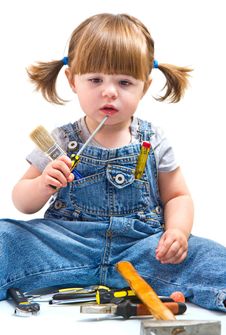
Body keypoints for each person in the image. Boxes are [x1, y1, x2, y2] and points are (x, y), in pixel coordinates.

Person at [0, 13, 226, 311]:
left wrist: (177, 233)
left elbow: (178, 196)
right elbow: (22, 201)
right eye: (95, 79)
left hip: (141, 248)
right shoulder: (58, 141)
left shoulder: (153, 140)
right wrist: (43, 184)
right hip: (67, 245)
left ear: (144, 87)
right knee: (6, 237)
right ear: (72, 80)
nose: (109, 91)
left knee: (210, 257)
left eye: (124, 82)